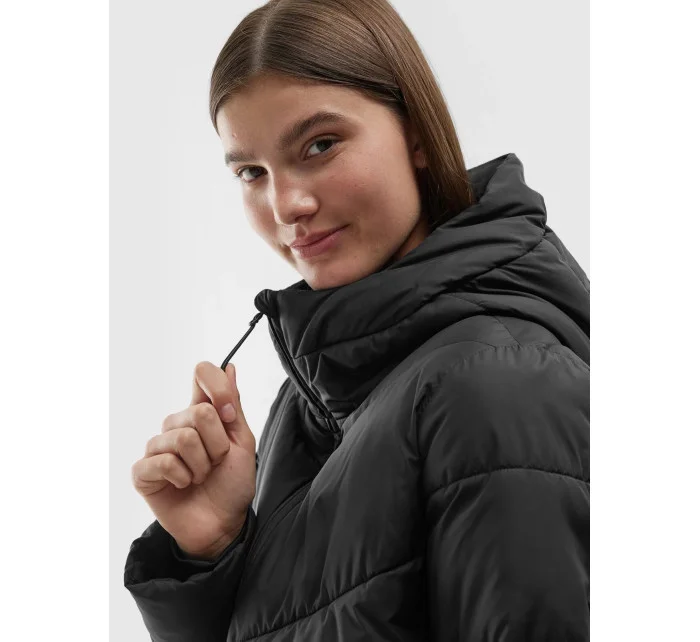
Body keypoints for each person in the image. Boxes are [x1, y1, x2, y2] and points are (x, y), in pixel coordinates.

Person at [124, 0, 590, 640]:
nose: (286, 205)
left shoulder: (498, 384)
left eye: (320, 145)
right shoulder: (314, 403)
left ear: (417, 134)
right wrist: (214, 549)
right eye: (251, 172)